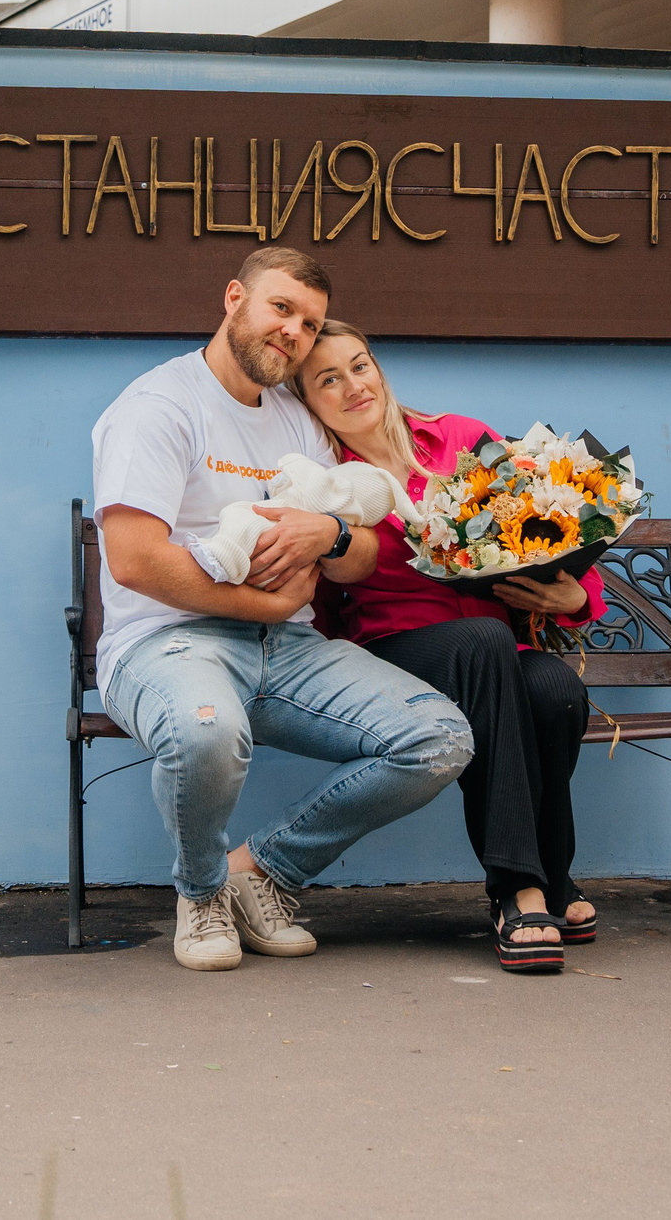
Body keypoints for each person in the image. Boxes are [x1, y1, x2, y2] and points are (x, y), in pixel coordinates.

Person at [92, 247, 473, 971]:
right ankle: (201, 893)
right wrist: (262, 598)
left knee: (438, 738)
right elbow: (134, 559)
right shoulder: (157, 408)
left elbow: (359, 557)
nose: (294, 331)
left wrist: (328, 535)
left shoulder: (296, 421)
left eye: (309, 322)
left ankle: (259, 872)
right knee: (206, 734)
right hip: (168, 644)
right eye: (281, 309)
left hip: (287, 648)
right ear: (234, 298)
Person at [295, 320, 604, 975]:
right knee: (482, 641)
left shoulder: (462, 438)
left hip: (495, 649)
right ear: (306, 400)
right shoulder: (325, 484)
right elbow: (317, 607)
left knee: (556, 695)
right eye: (328, 379)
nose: (353, 386)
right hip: (394, 656)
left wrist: (577, 598)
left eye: (359, 365)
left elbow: (548, 527)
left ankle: (551, 872)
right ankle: (519, 888)